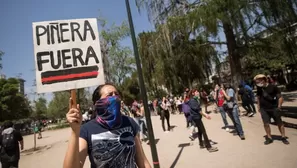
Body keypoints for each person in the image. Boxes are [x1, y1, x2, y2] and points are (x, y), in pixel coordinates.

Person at [63, 84, 151, 168]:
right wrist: (75, 132)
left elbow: (142, 161)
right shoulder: (87, 130)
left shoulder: (129, 122)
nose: (115, 97)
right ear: (97, 103)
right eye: (110, 95)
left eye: (116, 94)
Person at [254, 74, 289, 145]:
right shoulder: (259, 89)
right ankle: (269, 138)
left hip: (274, 108)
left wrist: (279, 106)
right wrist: (258, 107)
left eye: (259, 81)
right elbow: (258, 98)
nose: (258, 83)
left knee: (279, 123)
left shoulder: (273, 87)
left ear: (264, 80)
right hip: (264, 109)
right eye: (257, 82)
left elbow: (280, 97)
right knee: (266, 123)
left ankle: (283, 137)